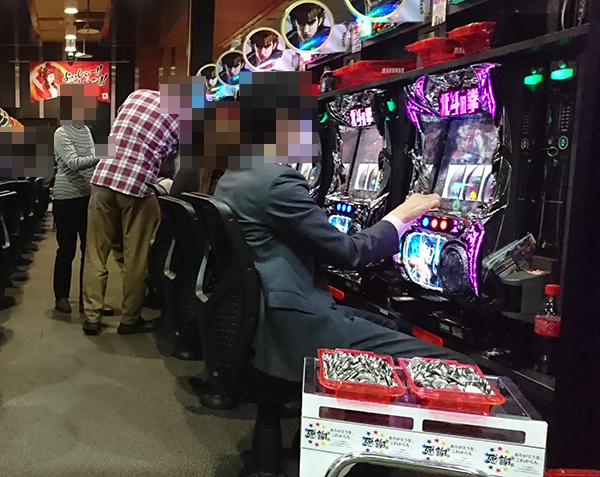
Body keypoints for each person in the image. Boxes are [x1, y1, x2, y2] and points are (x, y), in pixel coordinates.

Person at [212, 71, 469, 383]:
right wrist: (401, 216)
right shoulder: (276, 181)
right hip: (296, 324)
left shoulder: (235, 174)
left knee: (390, 325)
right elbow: (350, 253)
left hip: (266, 310)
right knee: (459, 364)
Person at [82, 89, 179, 336]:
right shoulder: (184, 118)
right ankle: (130, 320)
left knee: (95, 253)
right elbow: (172, 167)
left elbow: (119, 133)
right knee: (136, 257)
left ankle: (92, 317)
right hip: (136, 186)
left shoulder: (137, 95)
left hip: (102, 178)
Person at [52, 84, 100, 314]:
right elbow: (73, 163)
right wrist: (103, 155)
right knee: (67, 249)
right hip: (66, 198)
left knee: (89, 251)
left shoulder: (87, 131)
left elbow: (90, 163)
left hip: (86, 196)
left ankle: (86, 299)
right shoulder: (61, 132)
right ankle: (61, 296)